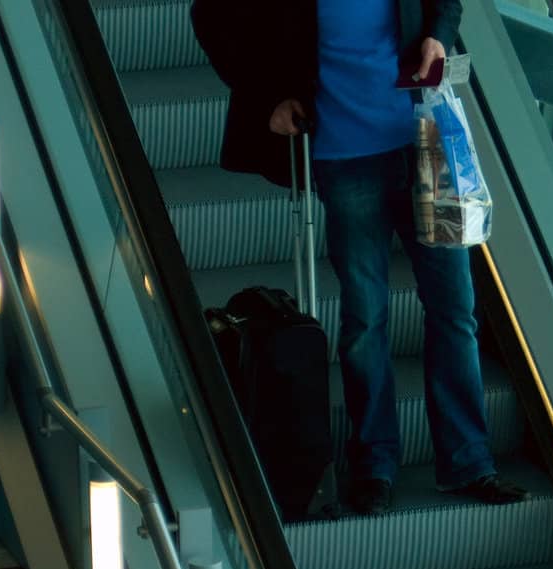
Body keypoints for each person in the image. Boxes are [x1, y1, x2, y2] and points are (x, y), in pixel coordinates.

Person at [191, 0, 526, 515]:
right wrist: (267, 98)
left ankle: (468, 463)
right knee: (365, 317)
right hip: (343, 155)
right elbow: (212, 17)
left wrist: (437, 36)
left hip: (426, 139)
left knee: (455, 308)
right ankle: (374, 466)